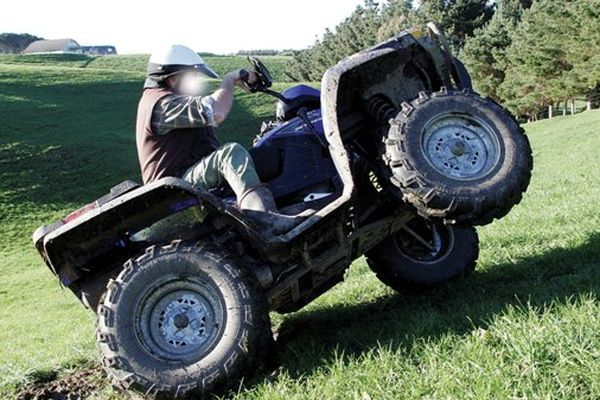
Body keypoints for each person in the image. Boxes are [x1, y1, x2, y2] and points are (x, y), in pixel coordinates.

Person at [136, 44, 306, 234]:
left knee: (261, 151)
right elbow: (215, 111)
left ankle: (288, 204)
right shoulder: (161, 103)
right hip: (172, 190)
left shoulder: (170, 99)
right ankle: (265, 221)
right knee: (229, 154)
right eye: (192, 77)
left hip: (183, 181)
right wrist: (229, 80)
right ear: (172, 77)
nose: (195, 81)